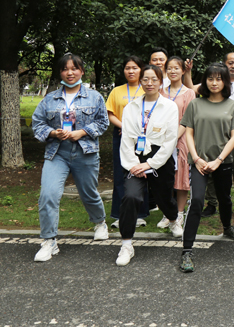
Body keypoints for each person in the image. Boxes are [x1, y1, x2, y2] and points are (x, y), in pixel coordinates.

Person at [32, 53, 110, 262]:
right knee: (48, 194)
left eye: (74, 68)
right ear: (60, 73)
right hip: (57, 153)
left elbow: (103, 122)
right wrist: (53, 133)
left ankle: (99, 222)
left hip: (85, 152)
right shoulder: (49, 99)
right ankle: (49, 241)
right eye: (65, 69)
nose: (70, 72)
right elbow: (37, 124)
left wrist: (81, 132)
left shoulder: (95, 97)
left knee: (89, 193)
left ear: (82, 71)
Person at [179, 63, 234, 272]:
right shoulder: (195, 104)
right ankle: (187, 250)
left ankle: (227, 227)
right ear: (205, 81)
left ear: (225, 82)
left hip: (222, 161)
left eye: (219, 79)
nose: (214, 83)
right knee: (197, 200)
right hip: (198, 162)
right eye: (210, 78)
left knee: (225, 198)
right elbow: (188, 132)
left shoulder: (233, 106)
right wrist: (196, 158)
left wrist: (218, 159)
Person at [116, 66, 183, 266]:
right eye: (145, 79)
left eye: (154, 79)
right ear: (141, 82)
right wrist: (134, 165)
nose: (149, 83)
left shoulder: (169, 107)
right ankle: (126, 244)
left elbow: (170, 141)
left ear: (161, 82)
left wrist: (150, 164)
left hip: (159, 157)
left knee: (164, 198)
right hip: (135, 159)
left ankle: (173, 220)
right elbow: (126, 140)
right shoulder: (131, 107)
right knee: (131, 197)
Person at [202, 52, 234, 218]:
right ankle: (212, 203)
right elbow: (191, 89)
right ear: (224, 64)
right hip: (215, 134)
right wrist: (187, 73)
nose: (233, 66)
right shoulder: (214, 83)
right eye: (230, 62)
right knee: (211, 169)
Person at [105, 56, 149, 227]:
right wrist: (125, 126)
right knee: (120, 174)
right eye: (127, 68)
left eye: (135, 68)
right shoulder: (116, 91)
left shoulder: (147, 89)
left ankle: (140, 214)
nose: (131, 71)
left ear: (141, 70)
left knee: (141, 172)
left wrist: (137, 129)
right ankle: (119, 214)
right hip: (121, 135)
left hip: (143, 137)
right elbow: (110, 114)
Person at [156, 56, 196, 230]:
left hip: (182, 139)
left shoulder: (189, 93)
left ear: (183, 70)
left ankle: (179, 213)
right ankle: (168, 213)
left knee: (181, 178)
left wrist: (173, 139)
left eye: (176, 68)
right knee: (165, 177)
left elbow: (188, 120)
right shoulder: (160, 92)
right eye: (170, 68)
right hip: (161, 138)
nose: (173, 71)